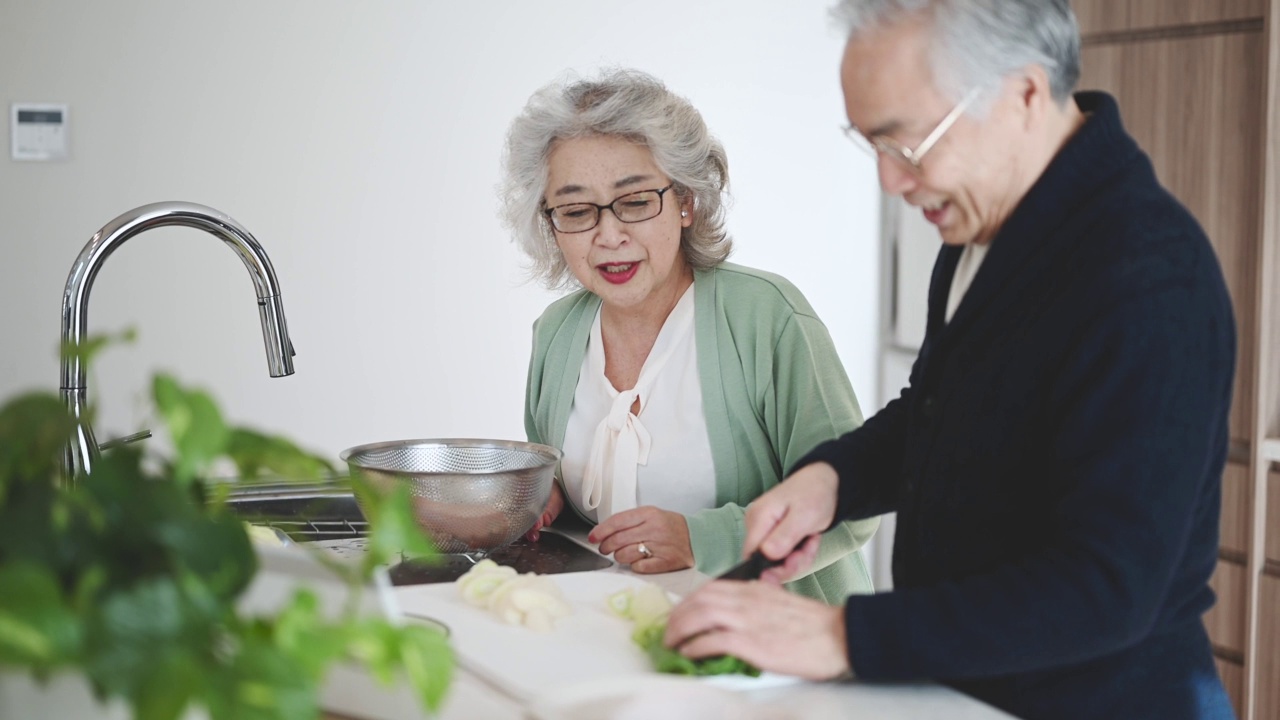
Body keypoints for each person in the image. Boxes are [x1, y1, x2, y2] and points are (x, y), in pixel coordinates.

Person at [663, 2, 1238, 719]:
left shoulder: (1148, 275)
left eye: (906, 143)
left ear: (1024, 93)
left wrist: (844, 633)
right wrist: (832, 480)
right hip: (964, 688)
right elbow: (940, 405)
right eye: (869, 144)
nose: (890, 181)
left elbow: (1107, 587)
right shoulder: (983, 226)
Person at [498, 68, 879, 603]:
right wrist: (548, 494)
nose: (609, 235)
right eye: (577, 211)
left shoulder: (767, 316)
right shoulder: (557, 332)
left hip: (774, 647)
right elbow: (575, 493)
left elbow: (853, 503)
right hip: (617, 632)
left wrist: (702, 539)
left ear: (685, 202)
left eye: (634, 201)